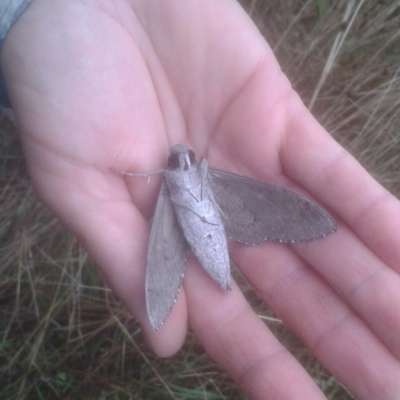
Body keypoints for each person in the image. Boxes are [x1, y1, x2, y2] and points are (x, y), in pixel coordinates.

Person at [2, 1, 400, 399]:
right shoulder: (180, 180)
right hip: (196, 217)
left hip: (195, 216)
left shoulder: (169, 184)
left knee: (293, 220)